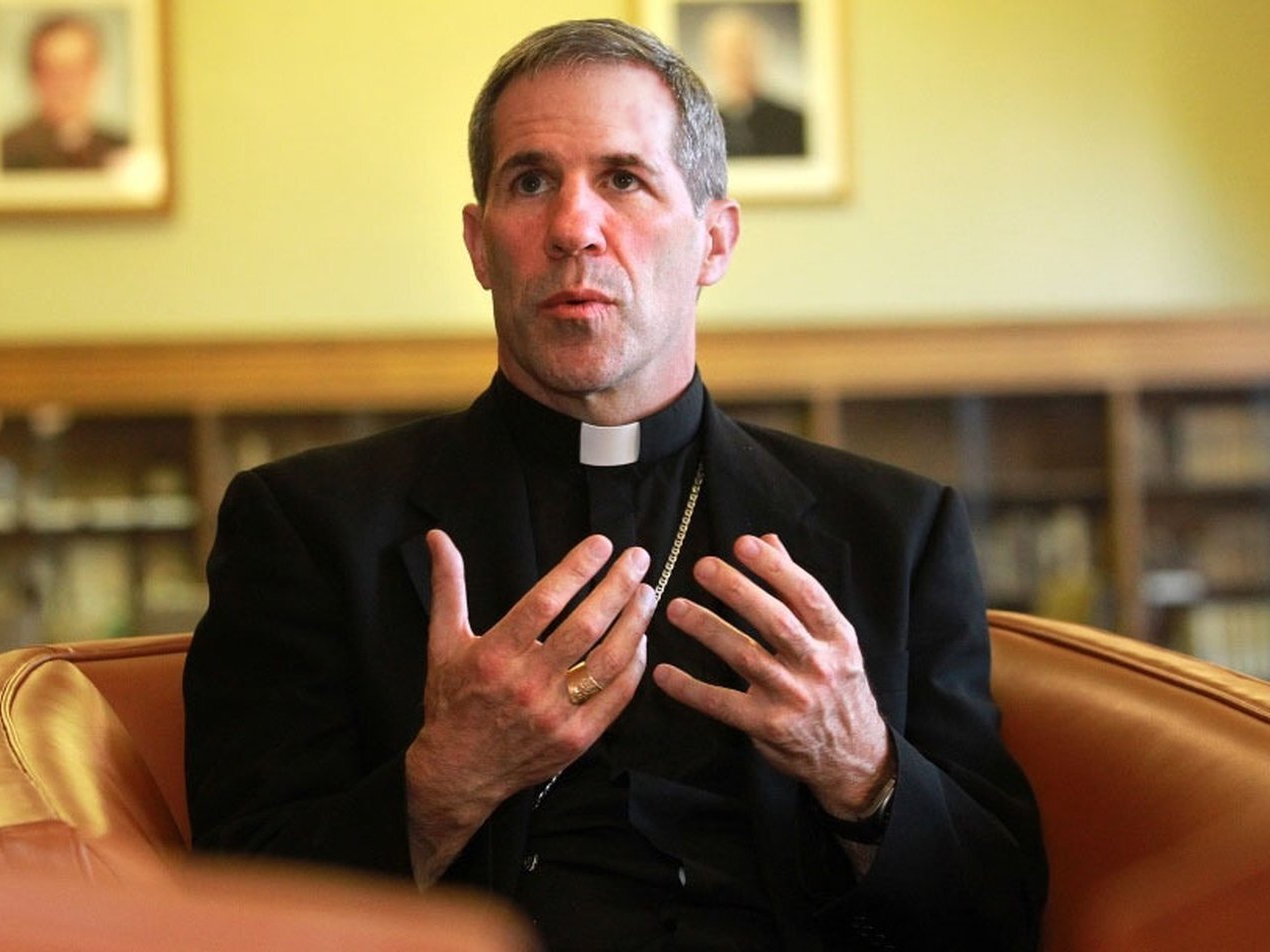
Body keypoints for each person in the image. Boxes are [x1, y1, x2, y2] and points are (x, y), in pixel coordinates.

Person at [184, 18, 1046, 951]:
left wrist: (862, 769)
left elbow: (1000, 912)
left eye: (624, 179)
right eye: (530, 182)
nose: (572, 228)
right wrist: (447, 779)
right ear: (480, 246)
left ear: (714, 243)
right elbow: (234, 905)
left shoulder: (893, 532)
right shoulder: (310, 527)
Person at [0, 15, 129, 171]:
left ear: (96, 73)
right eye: (53, 70)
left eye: (77, 69)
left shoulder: (123, 147)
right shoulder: (5, 152)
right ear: (33, 76)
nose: (66, 83)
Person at [700, 8, 806, 158]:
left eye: (743, 52)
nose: (736, 62)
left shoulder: (795, 122)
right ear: (712, 59)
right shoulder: (699, 125)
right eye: (728, 53)